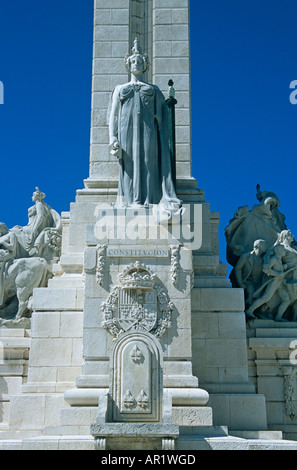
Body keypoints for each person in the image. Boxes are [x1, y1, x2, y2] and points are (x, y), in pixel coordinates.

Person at [108, 38, 182, 221]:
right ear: (128, 65)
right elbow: (113, 115)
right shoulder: (120, 88)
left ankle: (149, 200)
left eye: (140, 61)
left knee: (149, 161)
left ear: (145, 65)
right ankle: (131, 200)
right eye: (133, 61)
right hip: (126, 131)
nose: (136, 64)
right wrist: (112, 137)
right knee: (129, 164)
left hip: (148, 130)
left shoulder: (153, 89)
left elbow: (163, 118)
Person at [235, 239, 267, 308]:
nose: (266, 247)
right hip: (248, 280)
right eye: (264, 245)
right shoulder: (246, 256)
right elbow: (238, 268)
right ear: (259, 246)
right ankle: (248, 312)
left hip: (260, 281)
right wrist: (240, 282)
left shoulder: (264, 258)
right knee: (251, 294)